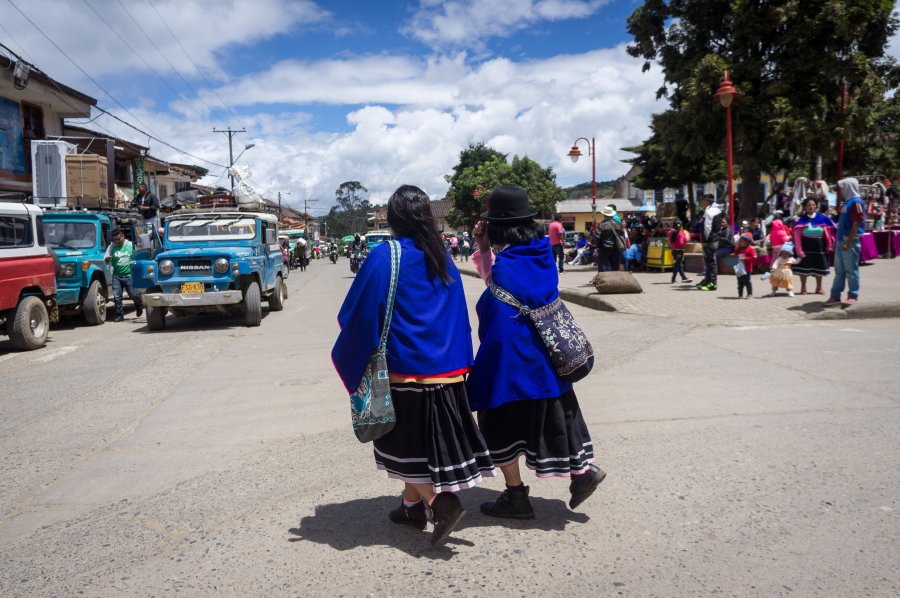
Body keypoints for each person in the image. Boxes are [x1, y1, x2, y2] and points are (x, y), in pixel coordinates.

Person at [331, 185, 494, 547]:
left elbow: (358, 313)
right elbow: (456, 317)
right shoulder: (441, 254)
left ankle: (439, 503)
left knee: (401, 449)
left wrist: (356, 354)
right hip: (448, 372)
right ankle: (410, 507)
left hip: (407, 374)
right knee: (417, 451)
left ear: (392, 219)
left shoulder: (385, 255)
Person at [469, 186, 604, 520]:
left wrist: (482, 373)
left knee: (498, 427)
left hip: (515, 371)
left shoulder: (507, 267)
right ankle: (582, 472)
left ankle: (516, 496)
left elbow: (497, 313)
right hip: (552, 364)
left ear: (497, 227)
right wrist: (486, 249)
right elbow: (504, 288)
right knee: (562, 420)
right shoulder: (541, 257)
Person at [825, 178, 865, 307]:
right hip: (841, 240)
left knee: (851, 270)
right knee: (839, 271)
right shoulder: (847, 202)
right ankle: (835, 296)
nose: (840, 191)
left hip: (850, 241)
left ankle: (852, 295)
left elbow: (856, 223)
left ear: (848, 187)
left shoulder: (856, 202)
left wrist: (848, 242)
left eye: (842, 188)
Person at [793, 197, 836, 295]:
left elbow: (831, 231)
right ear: (804, 207)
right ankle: (803, 287)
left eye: (813, 205)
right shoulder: (801, 220)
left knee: (819, 267)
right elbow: (797, 237)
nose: (811, 207)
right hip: (805, 247)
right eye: (808, 205)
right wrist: (799, 251)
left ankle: (819, 288)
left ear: (816, 206)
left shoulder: (823, 218)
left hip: (820, 247)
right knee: (804, 268)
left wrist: (829, 245)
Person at [104, 228, 143, 322]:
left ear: (123, 237)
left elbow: (139, 256)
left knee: (133, 295)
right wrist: (107, 259)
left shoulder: (130, 245)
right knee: (117, 297)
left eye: (119, 239)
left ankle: (139, 306)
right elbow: (105, 259)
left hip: (130, 275)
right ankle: (119, 315)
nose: (117, 241)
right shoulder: (111, 247)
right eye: (115, 240)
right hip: (117, 276)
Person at [697, 194, 723, 291]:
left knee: (710, 263)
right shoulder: (715, 210)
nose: (700, 203)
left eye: (701, 201)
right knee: (709, 262)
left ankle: (712, 283)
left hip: (710, 241)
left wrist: (705, 240)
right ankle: (707, 281)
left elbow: (707, 227)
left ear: (706, 201)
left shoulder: (709, 212)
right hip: (713, 240)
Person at [592, 206, 625, 272]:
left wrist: (597, 246)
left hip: (604, 248)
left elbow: (597, 237)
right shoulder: (619, 225)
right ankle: (615, 281)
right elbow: (622, 236)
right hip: (616, 248)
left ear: (604, 215)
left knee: (603, 266)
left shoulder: (601, 225)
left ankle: (603, 281)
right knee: (615, 266)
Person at [734, 232, 756, 299]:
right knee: (740, 282)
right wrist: (737, 248)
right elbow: (735, 254)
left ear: (747, 242)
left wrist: (745, 258)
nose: (740, 242)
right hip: (740, 269)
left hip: (747, 269)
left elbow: (754, 257)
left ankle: (750, 294)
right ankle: (740, 294)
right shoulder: (740, 248)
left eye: (742, 241)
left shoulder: (750, 249)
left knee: (747, 282)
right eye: (740, 240)